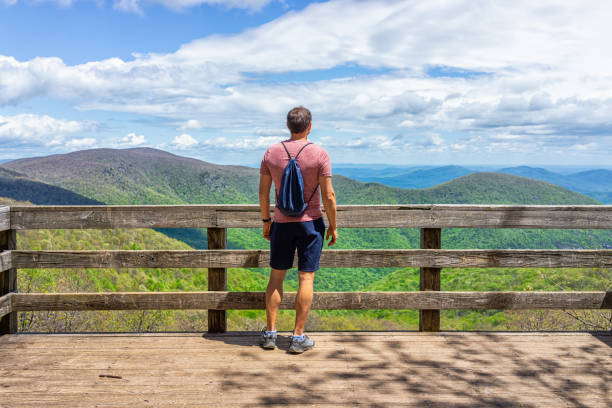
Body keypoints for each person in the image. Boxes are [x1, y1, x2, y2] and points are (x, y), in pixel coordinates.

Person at [258, 106, 337, 354]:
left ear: (288, 126)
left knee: (276, 278)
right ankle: (297, 337)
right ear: (309, 126)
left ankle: (270, 333)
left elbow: (263, 192)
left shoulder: (272, 152)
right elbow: (329, 195)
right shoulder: (319, 154)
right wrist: (334, 226)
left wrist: (266, 221)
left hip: (281, 223)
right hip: (310, 223)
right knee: (306, 278)